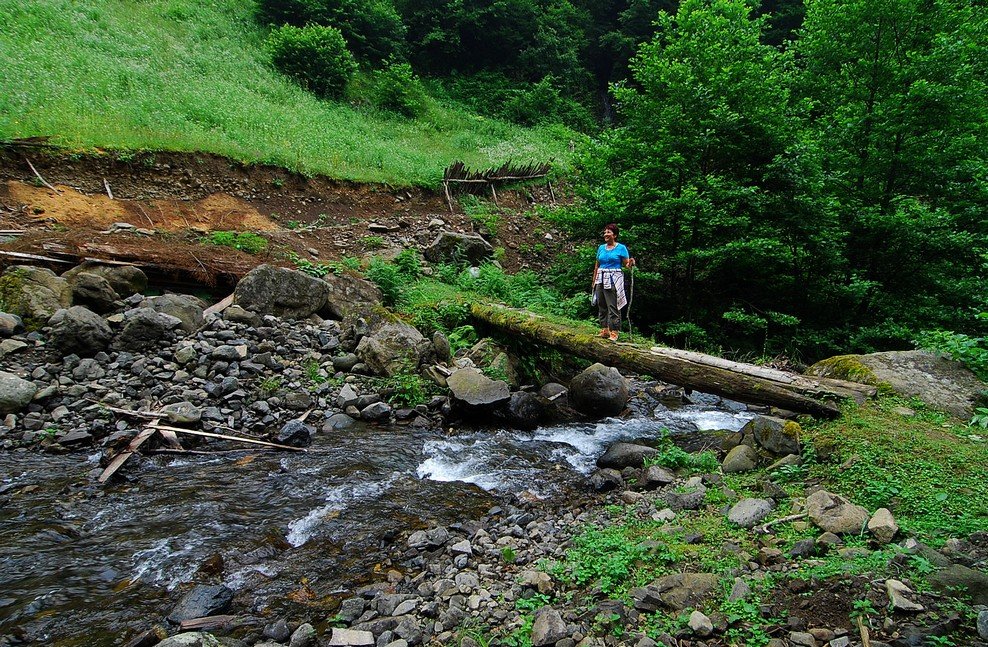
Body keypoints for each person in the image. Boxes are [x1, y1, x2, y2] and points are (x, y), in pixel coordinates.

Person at [592, 223, 635, 341]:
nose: (605, 234)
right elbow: (597, 265)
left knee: (613, 305)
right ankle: (604, 330)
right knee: (601, 305)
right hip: (601, 278)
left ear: (614, 235)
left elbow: (626, 265)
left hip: (613, 279)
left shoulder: (621, 248)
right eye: (605, 232)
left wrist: (630, 263)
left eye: (608, 232)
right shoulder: (601, 248)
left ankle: (614, 331)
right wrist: (594, 280)